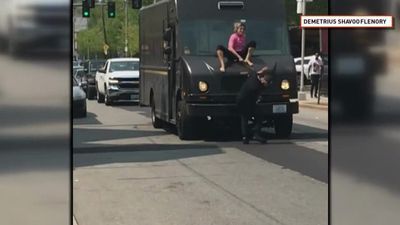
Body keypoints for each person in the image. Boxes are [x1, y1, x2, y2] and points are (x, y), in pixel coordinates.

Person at [236, 66, 270, 144]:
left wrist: (262, 70)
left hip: (241, 100)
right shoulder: (256, 86)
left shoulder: (254, 76)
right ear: (262, 80)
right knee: (258, 115)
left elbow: (254, 72)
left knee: (245, 118)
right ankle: (255, 133)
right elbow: (256, 96)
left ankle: (245, 137)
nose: (265, 84)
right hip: (245, 102)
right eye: (265, 82)